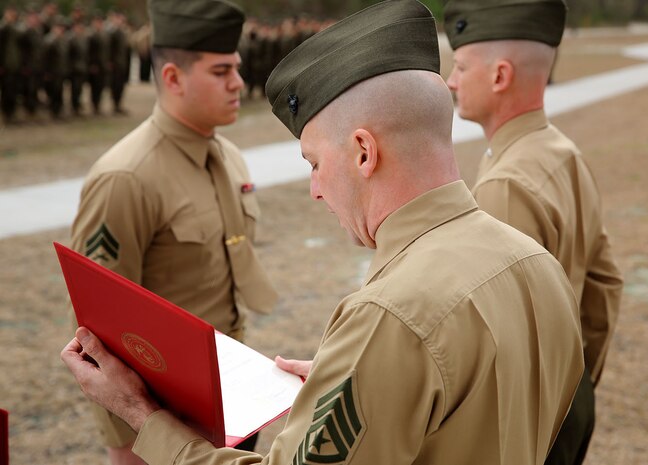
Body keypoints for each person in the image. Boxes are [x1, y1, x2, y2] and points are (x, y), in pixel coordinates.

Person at [62, 1, 584, 464]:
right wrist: (366, 380)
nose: (314, 189)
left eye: (313, 162)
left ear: (363, 151)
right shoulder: (537, 265)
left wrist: (140, 414)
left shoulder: (390, 318)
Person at [68, 0, 278, 463]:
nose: (239, 83)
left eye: (236, 69)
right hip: (161, 422)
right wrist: (126, 440)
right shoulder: (126, 177)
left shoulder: (228, 156)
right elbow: (95, 327)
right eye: (221, 71)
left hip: (232, 395)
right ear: (172, 78)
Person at [443, 1, 624, 464]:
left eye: (461, 66)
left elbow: (498, 347)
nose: (451, 80)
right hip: (570, 395)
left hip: (528, 422)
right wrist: (579, 384)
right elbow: (604, 284)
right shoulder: (561, 151)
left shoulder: (506, 181)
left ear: (500, 75)